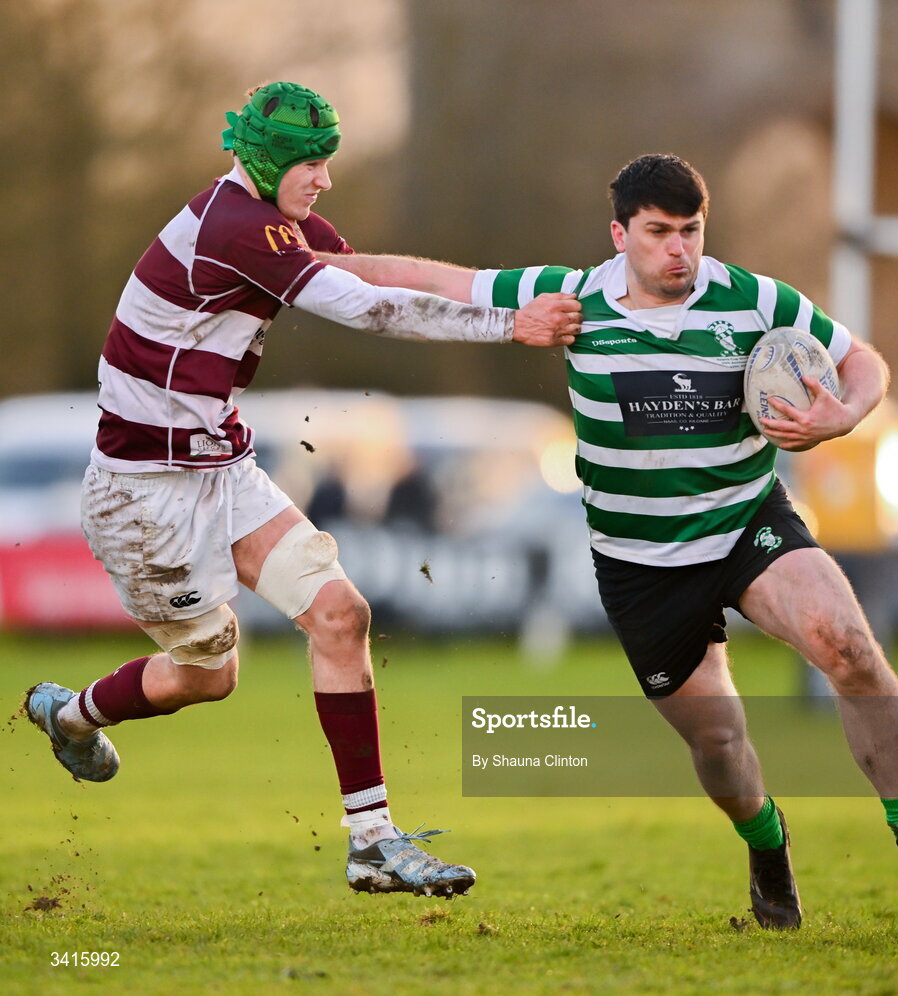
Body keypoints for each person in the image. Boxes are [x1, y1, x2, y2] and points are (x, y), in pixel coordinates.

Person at [317, 153, 898, 927]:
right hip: (640, 563)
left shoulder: (753, 299)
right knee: (719, 742)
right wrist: (311, 260)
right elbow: (437, 281)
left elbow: (862, 360)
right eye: (658, 233)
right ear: (619, 235)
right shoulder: (570, 297)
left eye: (691, 231)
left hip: (746, 519)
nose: (679, 249)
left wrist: (843, 414)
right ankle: (767, 839)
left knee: (847, 643)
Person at [25, 81, 581, 901]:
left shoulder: (269, 220)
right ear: (267, 160)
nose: (324, 179)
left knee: (341, 614)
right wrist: (509, 327)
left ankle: (371, 844)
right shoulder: (235, 229)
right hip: (143, 493)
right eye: (310, 164)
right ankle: (73, 714)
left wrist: (518, 288)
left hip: (221, 469)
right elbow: (370, 310)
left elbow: (379, 269)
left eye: (328, 162)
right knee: (207, 677)